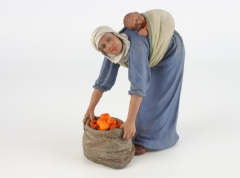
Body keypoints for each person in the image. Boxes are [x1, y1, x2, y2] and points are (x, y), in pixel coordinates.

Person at [83, 10, 185, 155]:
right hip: (151, 51)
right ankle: (141, 135)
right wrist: (90, 109)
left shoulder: (136, 47)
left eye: (108, 39)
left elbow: (138, 86)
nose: (109, 46)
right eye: (103, 46)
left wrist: (129, 121)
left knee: (159, 94)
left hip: (170, 49)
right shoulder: (113, 53)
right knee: (145, 97)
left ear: (114, 34)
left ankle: (156, 140)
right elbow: (102, 82)